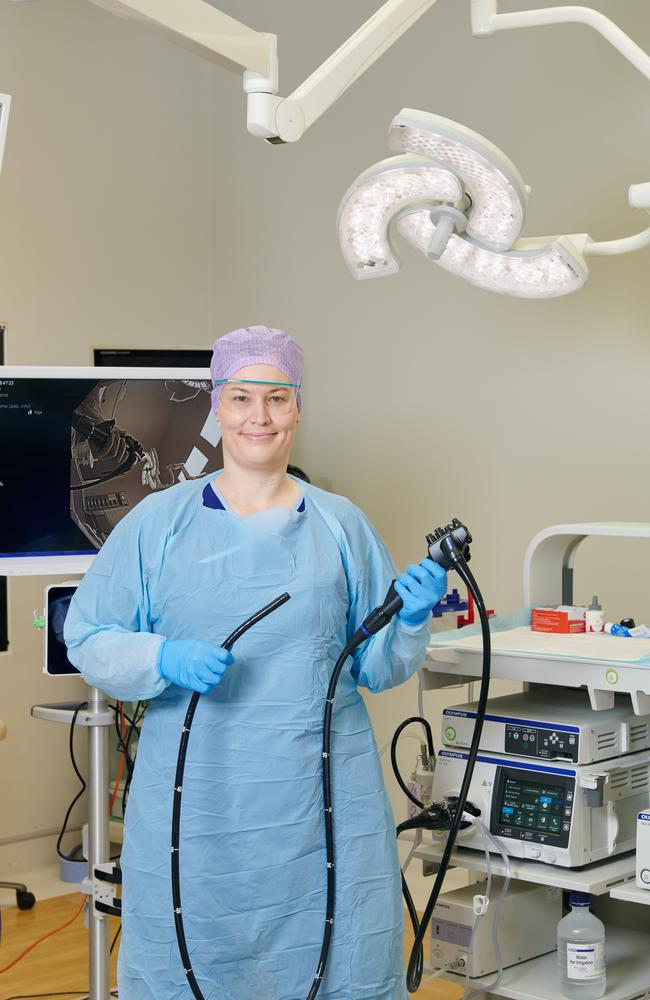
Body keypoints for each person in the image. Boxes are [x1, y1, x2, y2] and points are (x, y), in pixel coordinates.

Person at [65, 325, 447, 1000]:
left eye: (276, 398)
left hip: (322, 800)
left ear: (298, 407)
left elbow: (375, 665)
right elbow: (90, 636)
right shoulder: (158, 525)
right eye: (241, 398)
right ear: (217, 407)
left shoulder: (341, 525)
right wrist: (161, 655)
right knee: (190, 960)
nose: (259, 417)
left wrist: (410, 618)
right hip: (197, 803)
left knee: (339, 959)